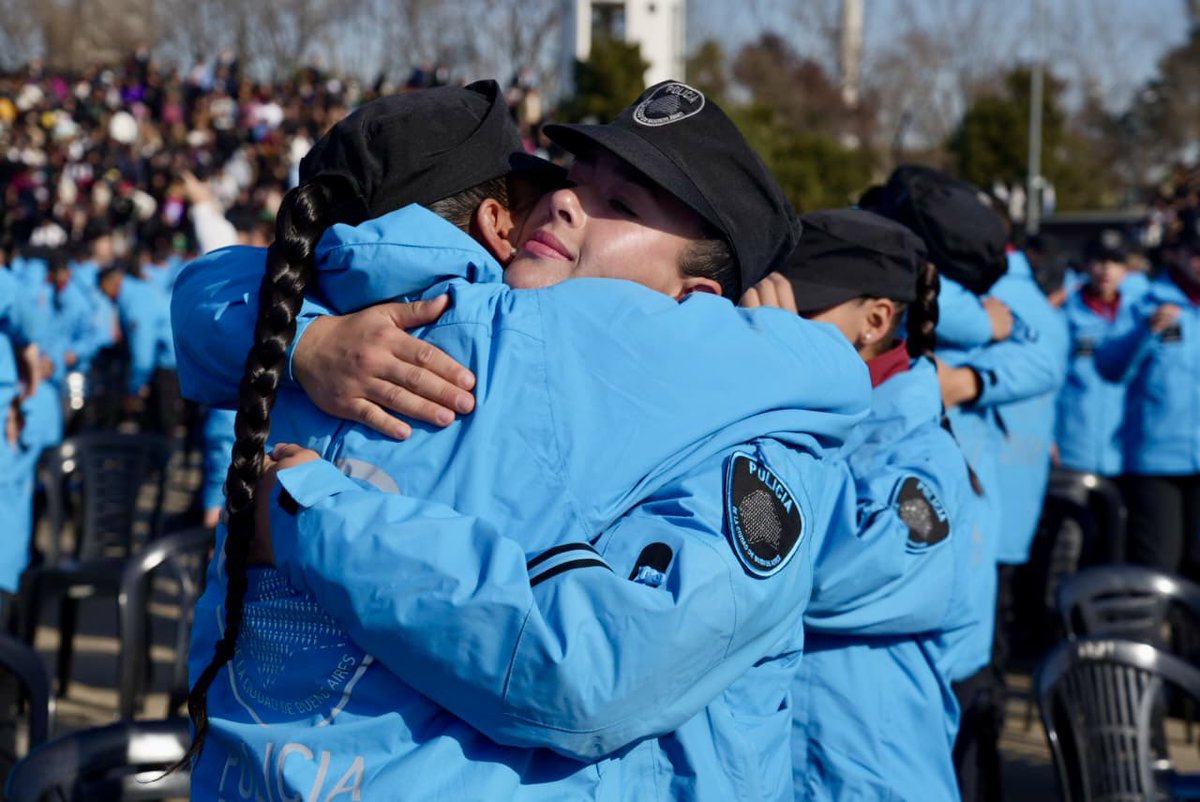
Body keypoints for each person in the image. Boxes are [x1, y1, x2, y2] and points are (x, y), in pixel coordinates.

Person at [178, 80, 868, 800]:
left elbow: (590, 671)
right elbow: (236, 281)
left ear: (693, 307)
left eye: (623, 205)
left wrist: (304, 516)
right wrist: (308, 338)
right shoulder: (444, 334)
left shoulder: (755, 451)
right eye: (574, 181)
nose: (568, 201)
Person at [745, 209, 983, 801]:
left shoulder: (925, 458)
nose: (776, 329)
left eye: (800, 315)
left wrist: (781, 396)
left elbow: (825, 570)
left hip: (864, 772)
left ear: (875, 320)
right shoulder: (791, 415)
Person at [862, 165, 1063, 802]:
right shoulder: (977, 302)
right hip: (934, 531)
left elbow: (1041, 354)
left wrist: (964, 380)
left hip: (974, 528)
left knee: (972, 714)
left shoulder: (1000, 289)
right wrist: (982, 329)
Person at [1097, 228, 1200, 576]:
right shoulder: (1146, 302)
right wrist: (1144, 331)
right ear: (1179, 254)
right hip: (1155, 462)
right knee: (1157, 566)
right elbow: (1108, 367)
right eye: (1195, 252)